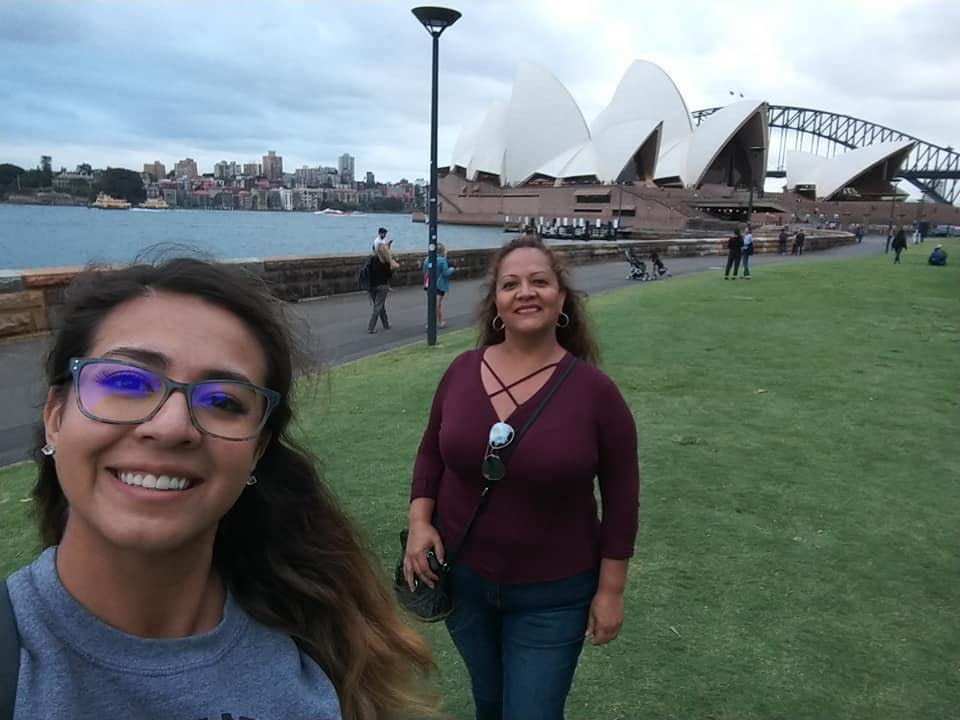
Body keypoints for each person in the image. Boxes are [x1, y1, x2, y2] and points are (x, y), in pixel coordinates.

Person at [2, 257, 435, 720]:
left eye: (223, 401)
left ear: (257, 450)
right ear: (54, 416)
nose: (170, 427)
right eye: (127, 381)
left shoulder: (324, 660)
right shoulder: (18, 664)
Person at [403, 236, 639, 720]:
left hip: (554, 595)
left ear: (561, 299)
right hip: (465, 580)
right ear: (496, 304)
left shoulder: (595, 393)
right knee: (489, 704)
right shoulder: (462, 371)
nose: (525, 292)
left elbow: (621, 498)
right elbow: (431, 451)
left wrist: (611, 590)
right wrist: (420, 521)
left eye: (539, 281)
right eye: (511, 284)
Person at [368, 240, 400, 334]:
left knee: (380, 306)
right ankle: (371, 327)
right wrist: (393, 268)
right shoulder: (385, 263)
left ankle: (386, 324)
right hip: (382, 286)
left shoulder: (372, 260)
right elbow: (388, 275)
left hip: (372, 286)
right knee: (378, 307)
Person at [422, 242, 455, 329]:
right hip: (440, 285)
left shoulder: (427, 259)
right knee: (437, 305)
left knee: (432, 304)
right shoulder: (442, 260)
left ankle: (439, 321)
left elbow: (425, 271)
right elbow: (446, 272)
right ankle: (435, 323)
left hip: (429, 284)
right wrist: (452, 269)